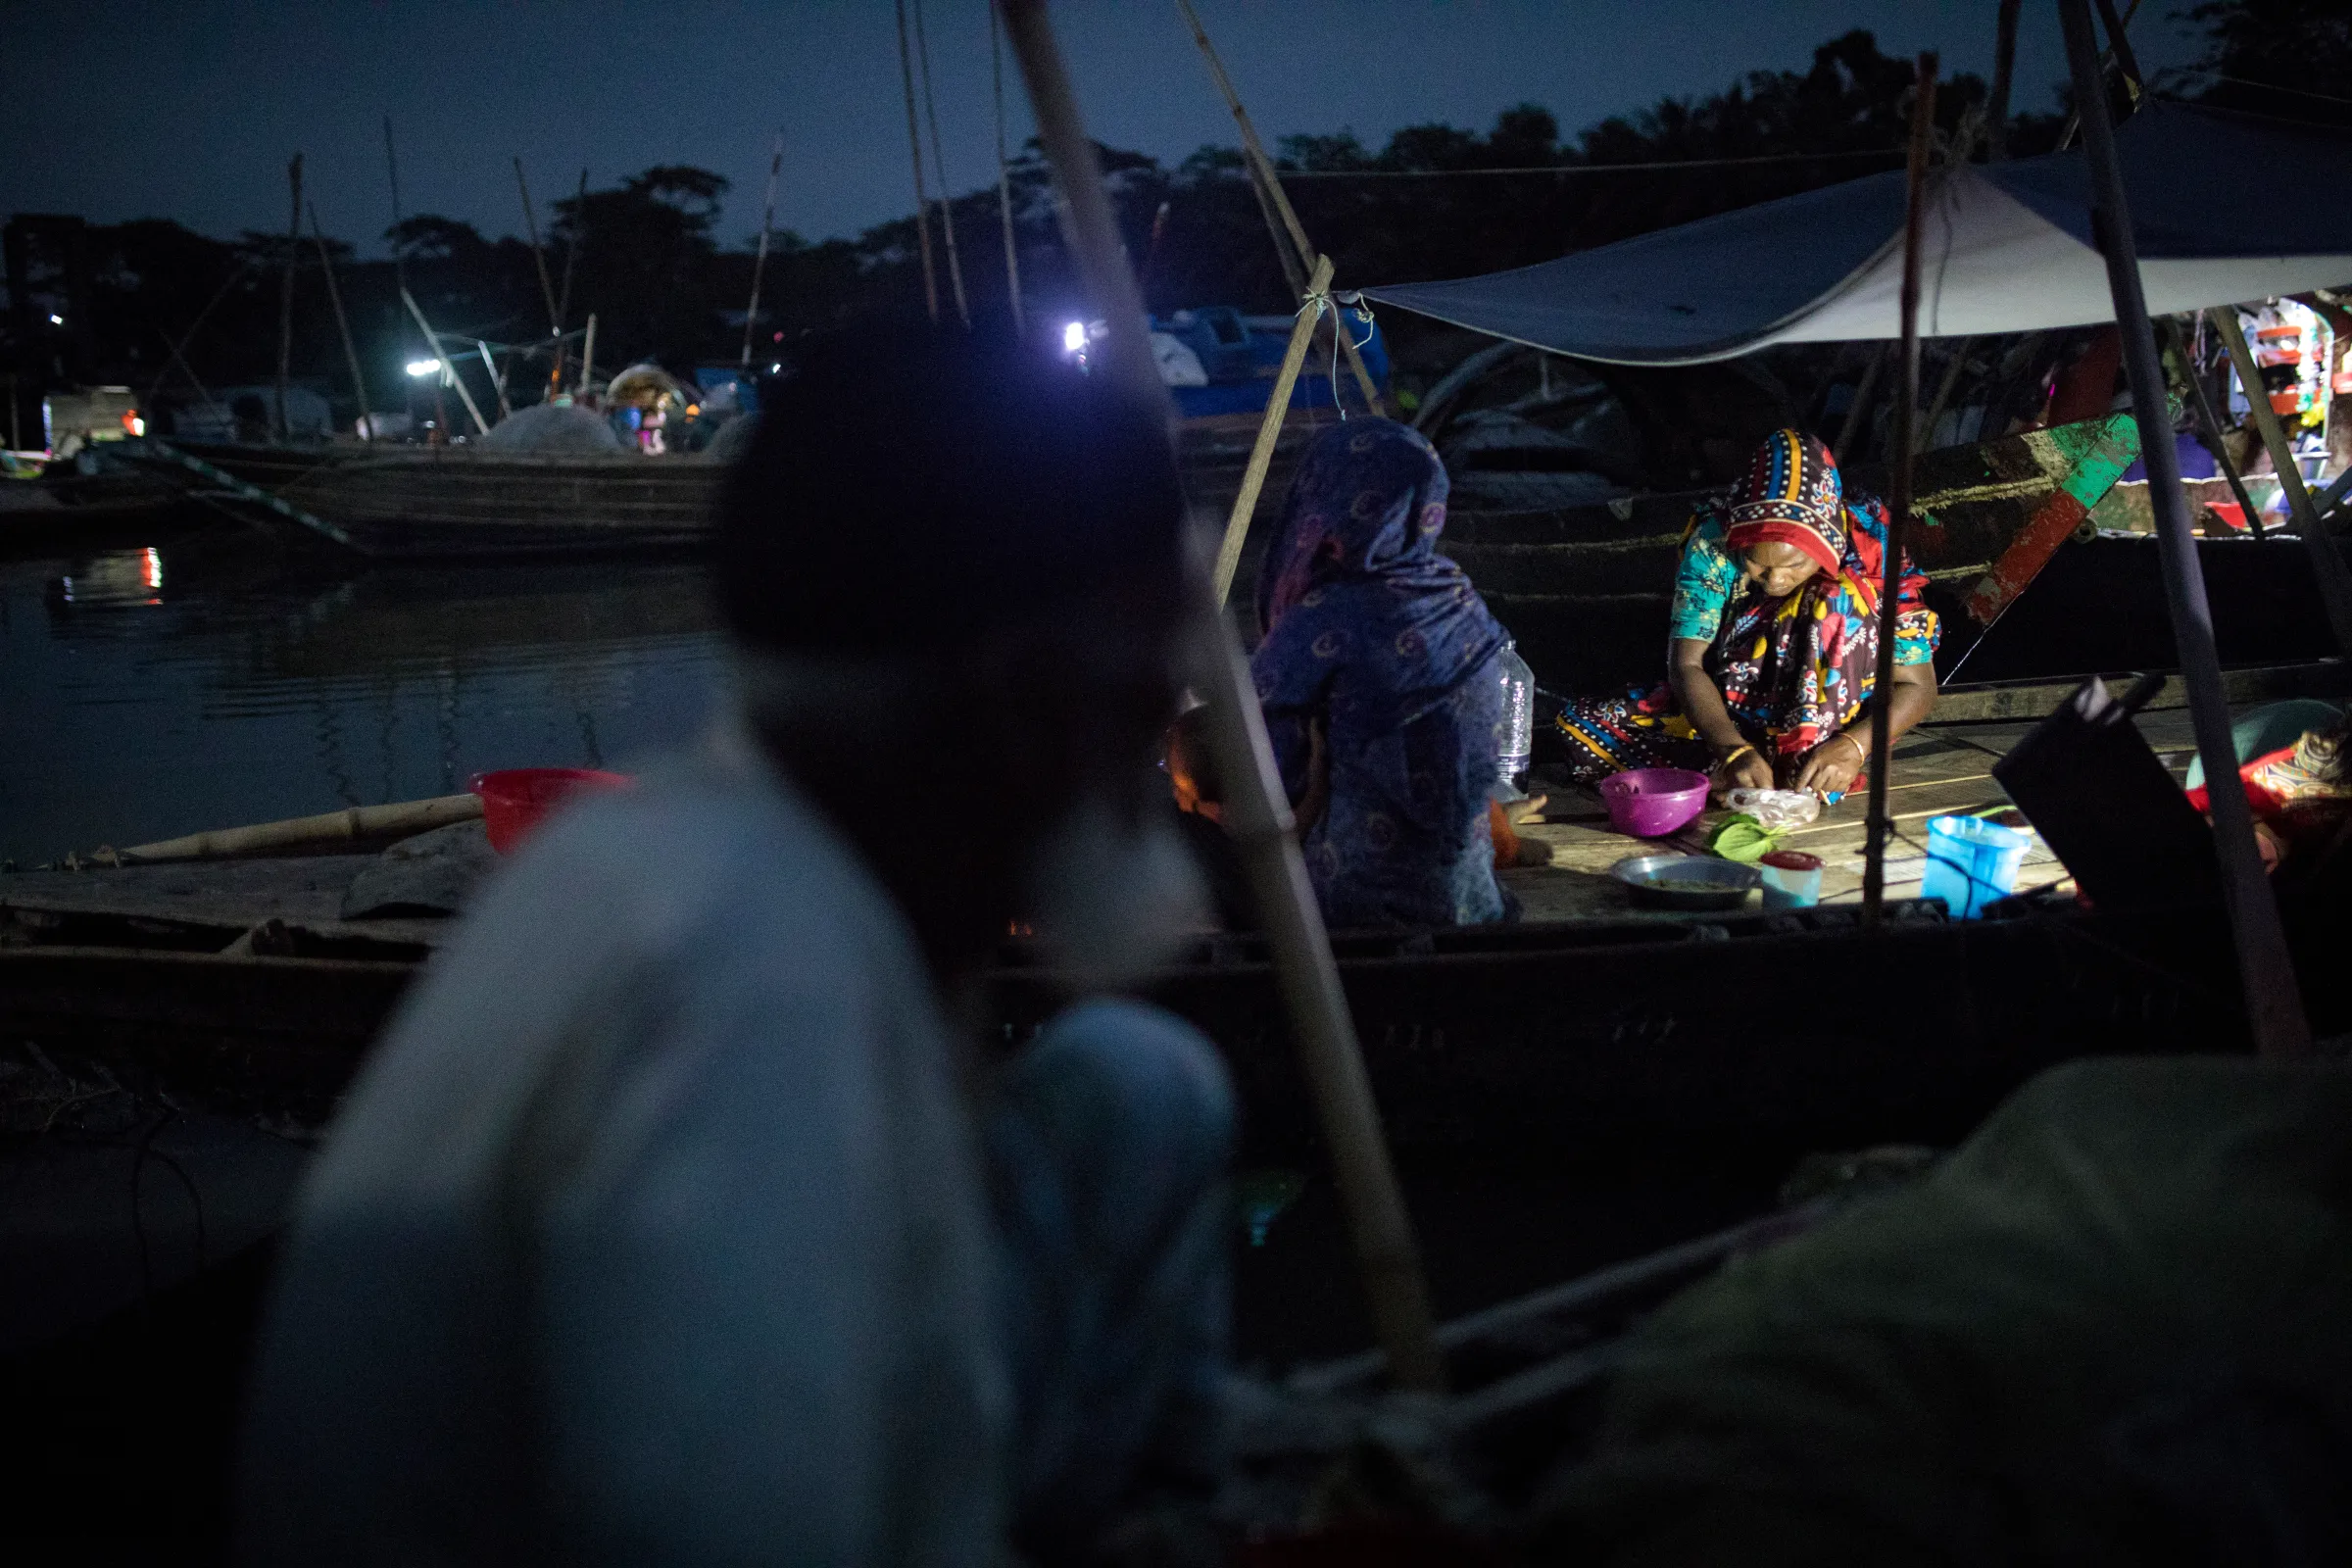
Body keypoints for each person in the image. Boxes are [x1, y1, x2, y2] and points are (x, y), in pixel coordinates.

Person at [237, 325, 1235, 1567]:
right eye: (1152, 678)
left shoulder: (694, 846)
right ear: (1030, 693)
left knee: (1138, 1084)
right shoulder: (755, 990)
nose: (1171, 733)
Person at [1555, 428, 1940, 801]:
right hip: (1736, 708)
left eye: (1794, 565)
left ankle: (1808, 762)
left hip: (1832, 722)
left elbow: (1918, 686)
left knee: (1836, 600)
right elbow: (1687, 664)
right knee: (1584, 726)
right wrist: (1732, 749)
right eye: (1757, 564)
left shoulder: (1870, 550)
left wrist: (1853, 746)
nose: (1775, 579)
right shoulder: (1714, 542)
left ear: (1825, 546)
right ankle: (1747, 770)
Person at [1250, 418, 1513, 928]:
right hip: (1469, 899)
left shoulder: (1327, 615)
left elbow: (1263, 774)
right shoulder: (1456, 596)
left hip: (1358, 904)